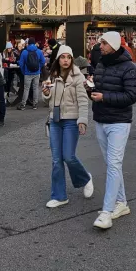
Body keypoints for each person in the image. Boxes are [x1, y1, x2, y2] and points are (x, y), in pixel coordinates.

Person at [90, 31, 136, 230]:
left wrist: (105, 97)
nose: (99, 46)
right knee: (112, 164)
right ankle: (121, 203)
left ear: (113, 45)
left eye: (103, 43)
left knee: (113, 163)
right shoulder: (101, 64)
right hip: (101, 119)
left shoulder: (129, 68)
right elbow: (99, 89)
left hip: (119, 121)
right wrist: (90, 89)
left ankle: (106, 211)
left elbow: (131, 96)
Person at [42, 45, 94, 208]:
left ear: (72, 60)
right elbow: (47, 101)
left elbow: (83, 101)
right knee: (57, 160)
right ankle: (59, 196)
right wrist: (45, 93)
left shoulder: (78, 77)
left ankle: (85, 178)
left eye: (68, 57)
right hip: (55, 120)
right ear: (58, 59)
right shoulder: (52, 75)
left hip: (71, 120)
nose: (65, 60)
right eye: (62, 57)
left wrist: (83, 121)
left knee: (68, 156)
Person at [18, 39, 45, 110]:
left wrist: (24, 71)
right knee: (35, 88)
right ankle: (35, 104)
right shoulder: (39, 51)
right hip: (37, 72)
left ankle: (23, 105)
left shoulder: (24, 52)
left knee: (26, 88)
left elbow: (21, 63)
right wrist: (39, 67)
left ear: (28, 44)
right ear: (35, 43)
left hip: (27, 73)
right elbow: (43, 61)